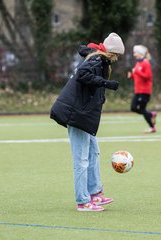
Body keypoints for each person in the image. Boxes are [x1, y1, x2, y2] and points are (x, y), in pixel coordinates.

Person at [50, 33, 125, 212]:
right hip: (76, 115)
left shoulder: (99, 61)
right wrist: (106, 83)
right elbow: (83, 75)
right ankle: (83, 202)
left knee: (93, 153)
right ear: (111, 52)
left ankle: (95, 193)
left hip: (83, 115)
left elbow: (91, 87)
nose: (117, 59)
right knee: (81, 160)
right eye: (117, 55)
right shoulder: (96, 60)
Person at [127, 45, 157, 133]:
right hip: (138, 91)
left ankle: (152, 127)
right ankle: (151, 114)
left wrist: (137, 72)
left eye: (135, 52)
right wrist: (132, 76)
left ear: (140, 53)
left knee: (142, 109)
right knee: (133, 108)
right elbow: (138, 76)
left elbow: (148, 77)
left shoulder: (145, 63)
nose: (134, 54)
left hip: (145, 91)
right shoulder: (138, 63)